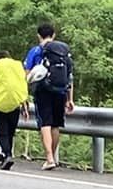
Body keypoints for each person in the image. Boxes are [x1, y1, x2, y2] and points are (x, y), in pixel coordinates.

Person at [22, 22, 75, 170]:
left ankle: (50, 158)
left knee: (45, 123)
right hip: (61, 91)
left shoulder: (36, 51)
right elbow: (70, 76)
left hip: (43, 91)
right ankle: (51, 157)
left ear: (38, 35)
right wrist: (70, 99)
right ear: (54, 35)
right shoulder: (63, 52)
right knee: (56, 125)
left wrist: (24, 96)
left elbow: (26, 74)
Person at [0, 47, 28, 171]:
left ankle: (7, 155)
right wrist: (24, 101)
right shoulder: (18, 65)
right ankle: (7, 154)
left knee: (2, 132)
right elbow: (23, 81)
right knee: (10, 131)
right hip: (15, 101)